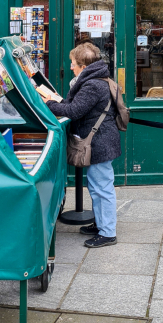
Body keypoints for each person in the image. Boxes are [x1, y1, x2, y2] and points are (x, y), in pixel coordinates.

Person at [41, 43, 121, 248]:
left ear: (84, 67)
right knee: (97, 185)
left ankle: (108, 233)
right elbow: (78, 107)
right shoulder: (95, 79)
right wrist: (58, 100)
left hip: (99, 142)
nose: (70, 67)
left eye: (73, 63)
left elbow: (75, 111)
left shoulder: (92, 85)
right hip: (101, 140)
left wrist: (49, 103)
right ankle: (101, 224)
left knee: (102, 187)